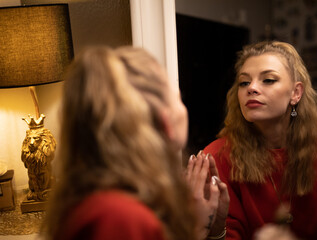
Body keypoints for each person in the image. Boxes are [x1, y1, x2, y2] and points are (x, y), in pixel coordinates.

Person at [41, 46, 229, 240]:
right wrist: (195, 230)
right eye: (179, 99)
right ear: (167, 123)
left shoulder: (122, 199)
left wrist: (214, 231)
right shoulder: (121, 218)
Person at [203, 41, 317, 240]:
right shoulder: (217, 157)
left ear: (296, 93)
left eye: (268, 80)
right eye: (244, 82)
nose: (251, 88)